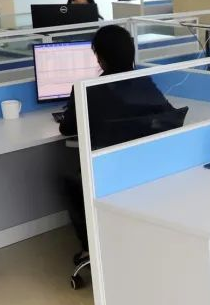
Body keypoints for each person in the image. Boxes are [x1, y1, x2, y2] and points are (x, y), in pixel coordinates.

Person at [59, 25, 175, 256]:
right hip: (144, 171)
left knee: (69, 181)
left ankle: (91, 248)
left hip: (108, 174)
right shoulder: (143, 82)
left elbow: (66, 129)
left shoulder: (87, 90)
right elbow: (170, 116)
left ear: (100, 58)